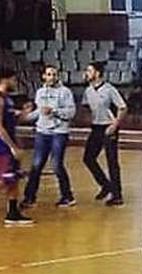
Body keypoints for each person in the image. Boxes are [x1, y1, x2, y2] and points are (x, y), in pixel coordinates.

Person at [22, 64, 76, 208]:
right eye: (49, 74)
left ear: (58, 76)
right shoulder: (40, 92)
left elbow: (71, 113)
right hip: (42, 132)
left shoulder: (65, 92)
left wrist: (54, 111)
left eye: (54, 74)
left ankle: (67, 196)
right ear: (44, 76)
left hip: (59, 132)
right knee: (36, 165)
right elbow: (38, 112)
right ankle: (29, 197)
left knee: (56, 165)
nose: (51, 77)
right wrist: (25, 116)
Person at [81, 61, 127, 206]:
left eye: (89, 71)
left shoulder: (109, 89)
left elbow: (123, 107)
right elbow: (86, 106)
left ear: (97, 73)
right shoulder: (88, 90)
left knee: (111, 161)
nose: (86, 73)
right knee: (88, 158)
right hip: (96, 127)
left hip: (109, 126)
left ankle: (117, 195)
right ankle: (106, 185)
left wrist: (115, 125)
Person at [0, 66, 33, 225]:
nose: (15, 82)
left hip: (9, 145)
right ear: (5, 79)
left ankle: (13, 213)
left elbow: (13, 122)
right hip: (2, 147)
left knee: (13, 179)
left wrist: (24, 113)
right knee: (4, 180)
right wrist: (12, 146)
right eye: (13, 79)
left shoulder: (8, 99)